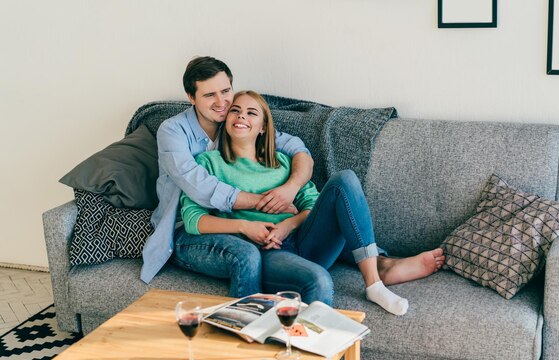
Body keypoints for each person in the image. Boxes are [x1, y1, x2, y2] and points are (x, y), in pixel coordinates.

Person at [180, 90, 446, 316]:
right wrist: (245, 227)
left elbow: (313, 204)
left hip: (304, 240)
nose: (241, 117)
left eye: (251, 113)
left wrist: (288, 224)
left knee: (345, 180)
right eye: (235, 111)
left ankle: (375, 283)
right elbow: (193, 219)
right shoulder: (208, 163)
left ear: (263, 127)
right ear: (226, 120)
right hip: (267, 253)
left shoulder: (283, 162)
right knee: (319, 279)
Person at [140, 56, 314, 299]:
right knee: (246, 254)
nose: (221, 102)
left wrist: (291, 188)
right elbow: (201, 188)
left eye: (225, 91)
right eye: (210, 95)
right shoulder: (172, 131)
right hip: (185, 230)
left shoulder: (235, 123)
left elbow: (298, 149)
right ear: (191, 98)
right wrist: (266, 202)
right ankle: (242, 326)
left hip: (236, 225)